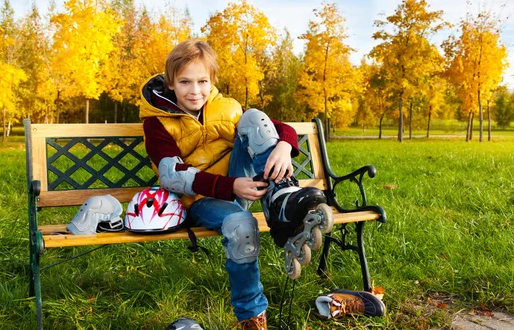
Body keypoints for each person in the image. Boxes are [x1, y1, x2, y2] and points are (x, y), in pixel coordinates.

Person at [140, 40, 374, 329]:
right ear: (171, 83)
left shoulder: (225, 108)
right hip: (199, 201)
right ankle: (252, 319)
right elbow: (172, 175)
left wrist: (285, 147)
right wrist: (232, 186)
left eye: (202, 81)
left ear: (212, 80)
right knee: (242, 225)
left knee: (253, 118)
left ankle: (282, 202)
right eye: (185, 82)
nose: (195, 90)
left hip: (241, 185)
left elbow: (280, 128)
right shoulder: (156, 121)